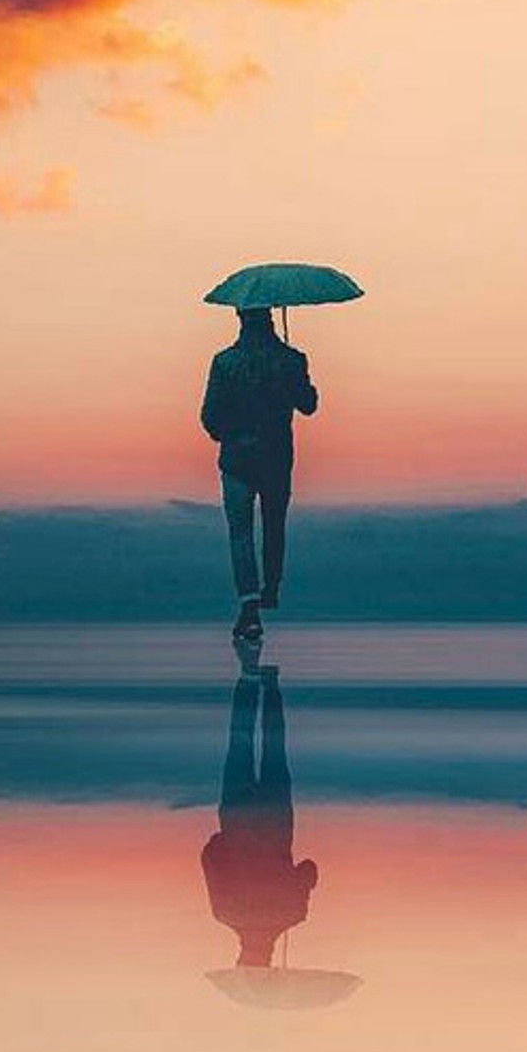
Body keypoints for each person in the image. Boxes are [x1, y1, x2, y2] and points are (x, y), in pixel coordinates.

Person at [200, 305, 318, 644]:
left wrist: (229, 435)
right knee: (274, 524)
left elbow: (209, 417)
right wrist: (299, 376)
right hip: (277, 459)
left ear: (239, 317)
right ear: (269, 317)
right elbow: (308, 405)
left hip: (237, 460)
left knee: (240, 534)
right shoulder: (292, 359)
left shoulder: (224, 362)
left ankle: (249, 607)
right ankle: (271, 588)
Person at [200, 666, 317, 968]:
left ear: (270, 960)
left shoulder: (292, 914)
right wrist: (224, 840)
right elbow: (210, 855)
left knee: (274, 746)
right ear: (240, 958)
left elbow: (308, 869)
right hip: (237, 817)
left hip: (276, 819)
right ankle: (248, 679)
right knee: (239, 741)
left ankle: (272, 684)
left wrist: (301, 886)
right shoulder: (225, 912)